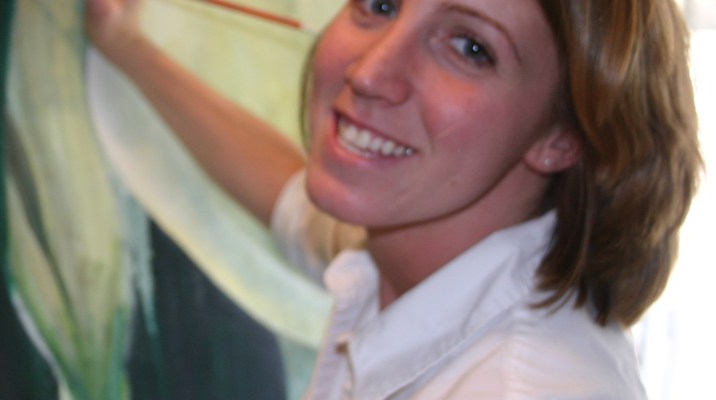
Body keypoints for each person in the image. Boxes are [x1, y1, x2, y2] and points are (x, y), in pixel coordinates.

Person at [86, 0, 702, 398]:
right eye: (380, 4)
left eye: (470, 48)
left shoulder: (521, 386)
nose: (370, 72)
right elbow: (287, 199)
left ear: (563, 137)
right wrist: (125, 44)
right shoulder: (415, 258)